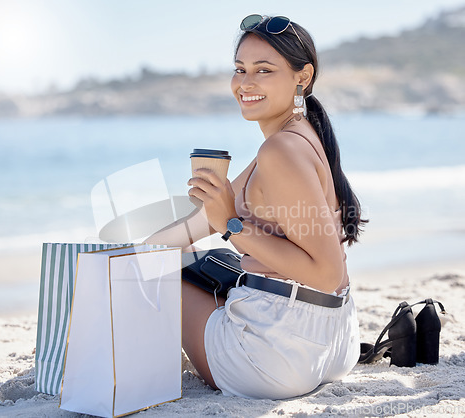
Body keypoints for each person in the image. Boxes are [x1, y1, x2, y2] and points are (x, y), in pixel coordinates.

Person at [146, 14, 367, 399]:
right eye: (240, 69)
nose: (245, 83)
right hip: (331, 340)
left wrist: (232, 225)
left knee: (157, 279)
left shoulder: (280, 150)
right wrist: (148, 246)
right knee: (181, 264)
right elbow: (201, 223)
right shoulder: (297, 136)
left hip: (274, 353)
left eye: (263, 70)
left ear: (302, 76)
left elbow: (327, 272)